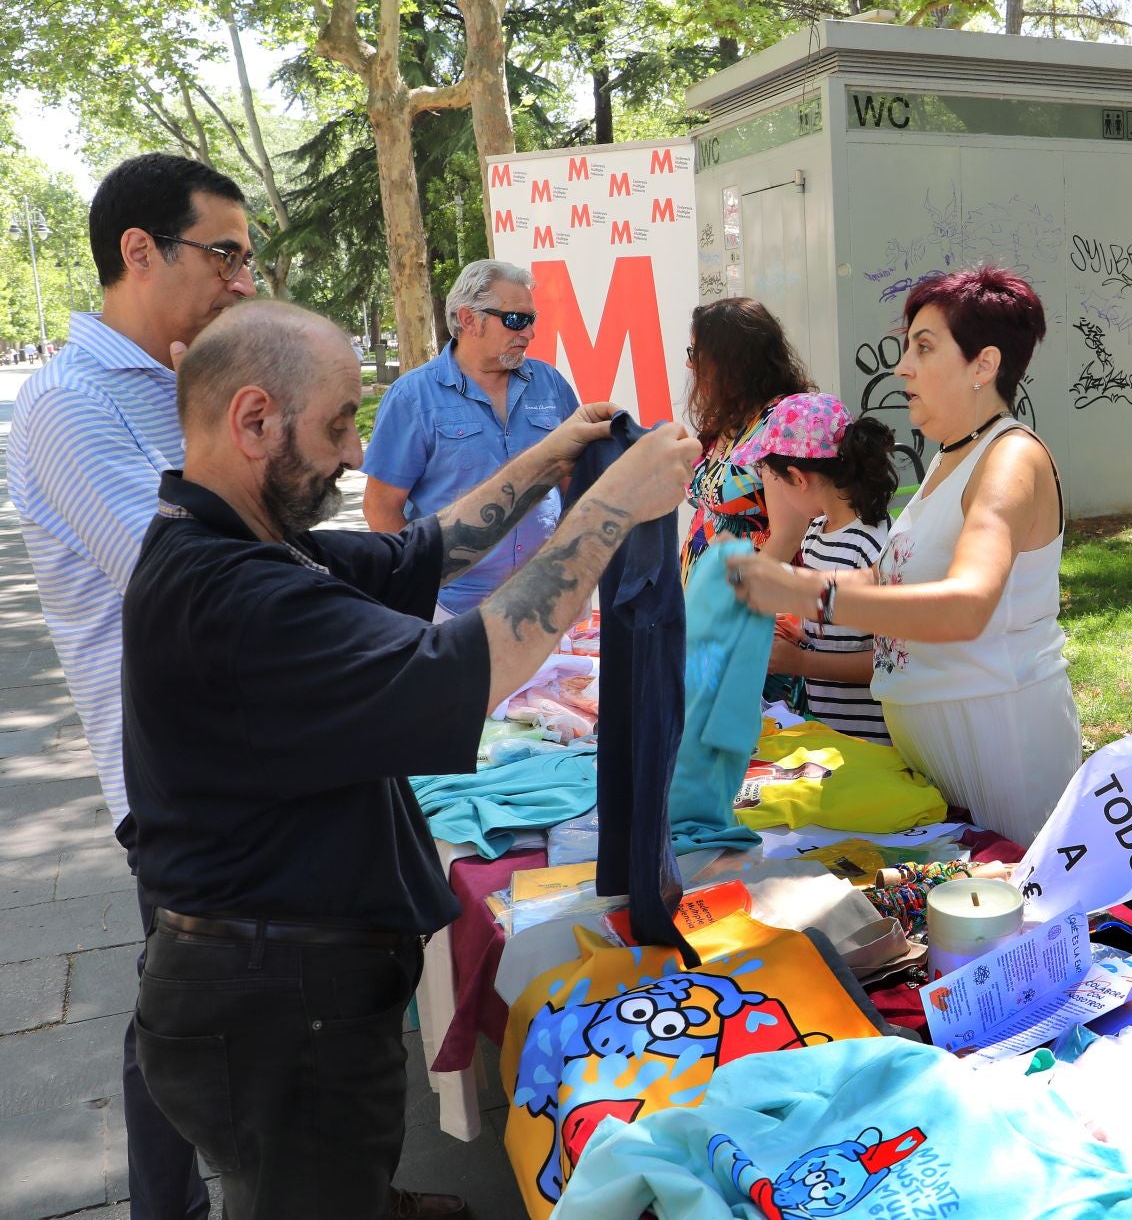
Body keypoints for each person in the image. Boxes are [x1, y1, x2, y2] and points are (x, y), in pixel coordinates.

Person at [121, 300, 699, 1220]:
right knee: (302, 1186)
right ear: (254, 421)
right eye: (340, 424)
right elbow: (481, 659)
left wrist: (549, 460)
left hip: (271, 989)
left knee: (320, 1178)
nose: (355, 454)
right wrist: (615, 504)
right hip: (274, 1010)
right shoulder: (235, 594)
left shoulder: (241, 543)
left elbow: (427, 547)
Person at [8, 152, 263, 1220]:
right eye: (227, 254)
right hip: (178, 779)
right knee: (184, 1020)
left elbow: (270, 530)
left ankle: (326, 1183)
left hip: (255, 750)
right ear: (139, 251)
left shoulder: (185, 385)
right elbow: (185, 581)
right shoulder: (68, 405)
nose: (245, 282)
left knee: (281, 1000)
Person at [727, 266, 1078, 845]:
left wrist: (813, 594)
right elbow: (902, 571)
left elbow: (968, 604)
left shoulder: (1010, 459)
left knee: (1012, 911)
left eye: (924, 347)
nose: (902, 366)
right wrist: (787, 578)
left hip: (998, 747)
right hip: (936, 749)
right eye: (905, 346)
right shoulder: (949, 456)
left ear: (983, 365)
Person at [361, 259, 581, 616]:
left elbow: (576, 483)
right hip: (452, 607)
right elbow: (380, 508)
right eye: (515, 320)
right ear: (467, 320)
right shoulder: (413, 398)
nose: (529, 334)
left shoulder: (550, 384)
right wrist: (419, 585)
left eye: (532, 320)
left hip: (544, 600)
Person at [736, 392, 898, 743]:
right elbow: (843, 629)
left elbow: (888, 662)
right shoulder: (815, 533)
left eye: (772, 479)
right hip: (832, 733)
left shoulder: (871, 547)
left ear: (797, 477)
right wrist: (804, 636)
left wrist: (800, 663)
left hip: (871, 745)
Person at [679, 297, 813, 580]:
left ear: (731, 361)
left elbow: (788, 536)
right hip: (707, 605)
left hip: (747, 608)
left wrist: (737, 602)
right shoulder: (728, 417)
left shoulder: (781, 421)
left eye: (697, 353)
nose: (690, 365)